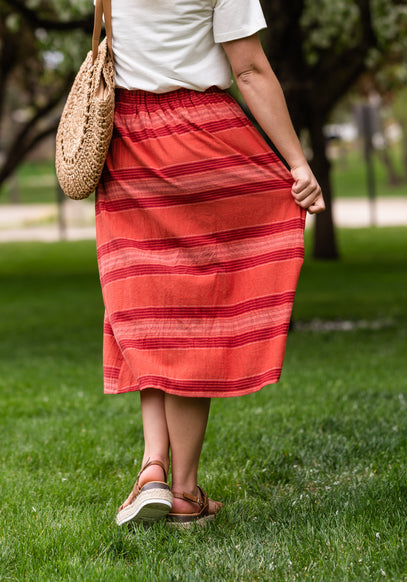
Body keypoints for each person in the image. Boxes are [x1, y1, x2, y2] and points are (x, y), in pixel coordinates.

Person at [95, 0, 325, 527]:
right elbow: (248, 68)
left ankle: (153, 466)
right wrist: (296, 162)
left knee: (145, 307)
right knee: (193, 313)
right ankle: (184, 491)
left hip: (128, 142)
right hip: (204, 137)